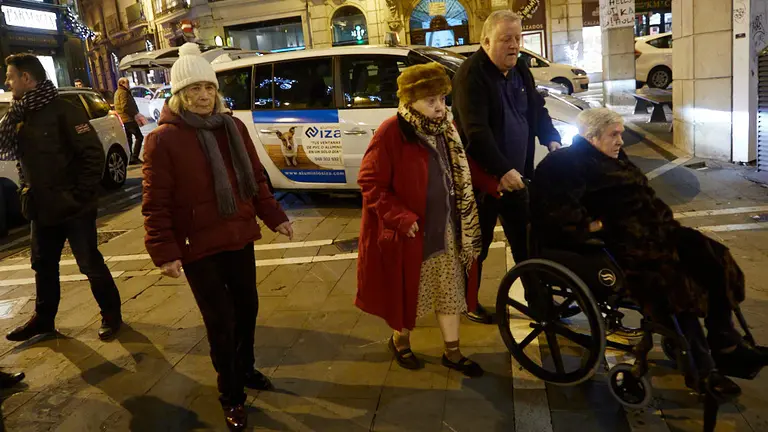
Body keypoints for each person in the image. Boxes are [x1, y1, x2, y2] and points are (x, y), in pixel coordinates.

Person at [531, 107, 768, 397]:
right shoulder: (565, 165)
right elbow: (560, 218)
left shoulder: (614, 158)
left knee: (715, 257)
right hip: (622, 245)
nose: (620, 141)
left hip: (658, 232)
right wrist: (600, 225)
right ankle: (702, 371)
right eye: (614, 135)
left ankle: (725, 341)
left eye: (621, 133)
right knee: (674, 281)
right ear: (592, 137)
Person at [142, 43, 293, 432]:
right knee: (221, 322)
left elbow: (256, 179)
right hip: (196, 247)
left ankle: (245, 369)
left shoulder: (234, 127)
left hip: (238, 234)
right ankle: (232, 396)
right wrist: (165, 252)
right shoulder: (162, 140)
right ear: (179, 94)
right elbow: (155, 202)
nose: (204, 96)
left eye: (208, 88)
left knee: (248, 310)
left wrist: (274, 217)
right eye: (193, 90)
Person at [357, 62, 495, 377]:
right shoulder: (392, 130)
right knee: (410, 295)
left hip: (448, 229)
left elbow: (464, 166)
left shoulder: (447, 127)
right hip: (412, 235)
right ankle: (400, 341)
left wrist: (495, 184)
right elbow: (370, 183)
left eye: (442, 99)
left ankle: (453, 352)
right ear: (410, 101)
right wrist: (400, 217)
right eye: (430, 101)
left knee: (450, 290)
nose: (439, 107)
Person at [0, 54, 122, 343]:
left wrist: (78, 195)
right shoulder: (19, 114)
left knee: (89, 263)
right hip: (40, 208)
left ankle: (111, 315)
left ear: (26, 78)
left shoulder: (63, 110)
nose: (7, 81)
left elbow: (92, 154)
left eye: (10, 76)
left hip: (72, 207)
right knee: (42, 265)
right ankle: (44, 320)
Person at [452, 10, 562, 324]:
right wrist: (502, 170)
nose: (514, 45)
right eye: (506, 39)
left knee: (527, 242)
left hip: (517, 177)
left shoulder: (520, 70)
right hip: (484, 182)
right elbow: (476, 133)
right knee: (478, 246)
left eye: (517, 38)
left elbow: (536, 109)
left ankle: (539, 305)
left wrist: (551, 139)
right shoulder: (471, 75)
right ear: (486, 41)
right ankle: (467, 302)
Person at [114, 77, 144, 165]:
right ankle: (134, 157)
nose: (129, 85)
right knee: (139, 137)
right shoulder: (123, 93)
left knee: (129, 139)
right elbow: (124, 106)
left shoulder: (118, 92)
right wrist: (134, 113)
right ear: (122, 84)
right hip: (128, 119)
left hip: (124, 120)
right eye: (127, 83)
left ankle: (130, 158)